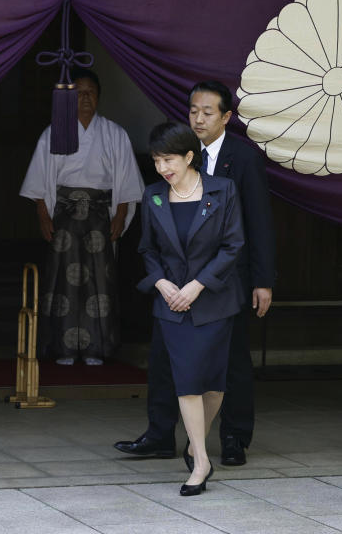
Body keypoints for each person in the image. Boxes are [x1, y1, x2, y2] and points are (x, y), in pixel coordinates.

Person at [115, 81, 275, 467]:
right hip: (173, 287)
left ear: (226, 117)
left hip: (224, 284)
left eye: (208, 112)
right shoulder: (167, 167)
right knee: (165, 360)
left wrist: (263, 279)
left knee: (228, 363)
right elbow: (150, 242)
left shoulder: (243, 159)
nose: (199, 118)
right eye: (193, 111)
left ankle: (234, 436)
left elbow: (258, 224)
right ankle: (159, 434)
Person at [136, 121, 243, 495]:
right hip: (171, 305)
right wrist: (164, 285)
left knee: (214, 385)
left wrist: (196, 287)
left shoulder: (223, 190)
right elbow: (147, 250)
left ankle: (193, 442)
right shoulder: (153, 197)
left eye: (169, 160)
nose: (163, 168)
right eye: (156, 161)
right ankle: (200, 461)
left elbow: (232, 246)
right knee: (187, 383)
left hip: (213, 302)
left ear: (188, 156)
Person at [19, 68, 144, 365]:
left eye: (91, 92)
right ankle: (62, 347)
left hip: (101, 214)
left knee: (100, 279)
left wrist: (120, 214)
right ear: (70, 98)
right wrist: (43, 214)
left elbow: (126, 180)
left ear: (99, 97)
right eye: (80, 93)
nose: (86, 98)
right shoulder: (54, 132)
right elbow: (40, 178)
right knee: (62, 278)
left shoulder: (114, 133)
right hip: (64, 213)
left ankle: (96, 347)